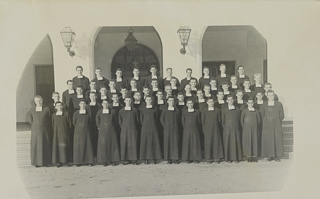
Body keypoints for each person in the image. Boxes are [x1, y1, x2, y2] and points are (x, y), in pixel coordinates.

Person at [28, 95, 52, 167]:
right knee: (36, 145)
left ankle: (45, 162)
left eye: (40, 101)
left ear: (42, 101)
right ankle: (36, 163)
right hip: (35, 131)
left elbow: (49, 118)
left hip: (44, 130)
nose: (39, 102)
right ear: (35, 102)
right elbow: (30, 120)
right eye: (37, 101)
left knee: (45, 144)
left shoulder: (46, 109)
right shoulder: (32, 110)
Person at [260, 90, 284, 162]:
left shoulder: (279, 104)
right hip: (267, 125)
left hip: (276, 125)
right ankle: (270, 155)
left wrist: (276, 121)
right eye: (269, 95)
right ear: (267, 96)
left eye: (272, 95)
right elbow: (262, 115)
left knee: (277, 139)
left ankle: (277, 156)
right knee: (269, 140)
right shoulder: (264, 105)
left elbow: (282, 115)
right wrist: (266, 122)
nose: (271, 97)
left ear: (274, 95)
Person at [96, 99, 120, 166]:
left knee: (112, 145)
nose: (105, 105)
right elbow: (97, 120)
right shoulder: (99, 112)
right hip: (103, 131)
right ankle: (104, 161)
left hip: (111, 130)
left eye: (107, 103)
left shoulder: (113, 112)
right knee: (103, 146)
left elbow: (115, 120)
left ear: (109, 104)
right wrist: (99, 127)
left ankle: (113, 161)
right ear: (102, 104)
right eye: (104, 103)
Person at [139, 96, 162, 164]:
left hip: (153, 127)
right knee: (145, 142)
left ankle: (154, 158)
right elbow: (141, 119)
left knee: (153, 142)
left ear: (152, 100)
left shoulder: (155, 109)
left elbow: (156, 118)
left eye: (150, 99)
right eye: (147, 100)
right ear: (145, 100)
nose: (149, 101)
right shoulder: (142, 109)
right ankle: (146, 158)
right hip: (145, 127)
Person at [118, 96, 140, 165]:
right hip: (124, 130)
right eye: (127, 101)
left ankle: (134, 159)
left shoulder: (135, 110)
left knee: (133, 143)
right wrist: (124, 127)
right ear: (124, 101)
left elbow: (137, 120)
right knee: (125, 144)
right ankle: (125, 159)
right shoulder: (121, 111)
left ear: (131, 101)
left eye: (129, 101)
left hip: (133, 129)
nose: (128, 102)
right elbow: (120, 121)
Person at [201, 97, 224, 163]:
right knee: (208, 143)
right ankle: (208, 157)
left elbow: (219, 120)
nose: (211, 103)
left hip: (215, 129)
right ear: (207, 103)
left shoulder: (217, 110)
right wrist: (204, 130)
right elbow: (203, 121)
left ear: (213, 102)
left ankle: (216, 157)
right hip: (207, 129)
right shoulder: (204, 111)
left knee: (216, 142)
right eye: (209, 102)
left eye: (212, 102)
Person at [72, 100, 94, 166]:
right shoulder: (76, 113)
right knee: (78, 146)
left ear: (86, 105)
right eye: (81, 103)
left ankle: (89, 161)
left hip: (87, 132)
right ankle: (78, 162)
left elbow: (90, 121)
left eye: (84, 103)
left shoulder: (88, 113)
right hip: (78, 132)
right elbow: (74, 122)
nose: (83, 105)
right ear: (79, 105)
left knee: (88, 145)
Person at [181, 98, 202, 163]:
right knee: (187, 144)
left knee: (195, 144)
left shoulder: (197, 112)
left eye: (191, 103)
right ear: (186, 104)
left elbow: (199, 121)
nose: (190, 105)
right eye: (189, 103)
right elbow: (183, 122)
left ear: (193, 104)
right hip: (187, 130)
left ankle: (195, 158)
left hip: (195, 130)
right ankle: (188, 158)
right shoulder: (184, 112)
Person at [221, 95, 242, 163]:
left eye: (231, 100)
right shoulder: (224, 110)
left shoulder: (237, 110)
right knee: (228, 143)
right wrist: (227, 127)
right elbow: (223, 121)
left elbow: (239, 120)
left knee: (235, 142)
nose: (230, 101)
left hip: (235, 129)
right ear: (227, 101)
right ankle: (228, 158)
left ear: (233, 100)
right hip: (227, 129)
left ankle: (236, 158)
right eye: (229, 100)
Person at [160, 96, 180, 164]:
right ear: (167, 102)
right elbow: (162, 119)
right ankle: (168, 158)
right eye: (170, 101)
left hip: (175, 129)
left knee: (175, 143)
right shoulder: (165, 110)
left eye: (172, 101)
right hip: (167, 129)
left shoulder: (176, 110)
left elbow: (179, 119)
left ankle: (175, 158)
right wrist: (165, 126)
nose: (171, 102)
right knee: (167, 143)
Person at [51, 101, 72, 167]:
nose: (59, 107)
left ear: (62, 106)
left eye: (60, 105)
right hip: (57, 134)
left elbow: (70, 124)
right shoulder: (54, 115)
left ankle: (65, 161)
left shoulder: (66, 114)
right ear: (55, 107)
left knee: (64, 147)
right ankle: (58, 162)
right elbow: (52, 124)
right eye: (57, 106)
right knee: (57, 147)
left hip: (64, 132)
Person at [241, 98, 261, 162]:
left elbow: (259, 121)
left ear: (253, 103)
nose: (250, 104)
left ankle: (254, 156)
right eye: (249, 103)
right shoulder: (244, 111)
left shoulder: (256, 111)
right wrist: (245, 127)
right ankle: (248, 156)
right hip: (246, 129)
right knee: (247, 141)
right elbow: (242, 121)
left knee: (254, 141)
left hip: (255, 129)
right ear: (247, 103)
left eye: (252, 103)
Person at [87, 92, 102, 159]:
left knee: (97, 138)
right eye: (91, 96)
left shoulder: (99, 105)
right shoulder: (87, 106)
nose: (92, 97)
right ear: (89, 97)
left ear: (96, 97)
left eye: (94, 96)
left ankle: (97, 155)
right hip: (90, 124)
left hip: (97, 124)